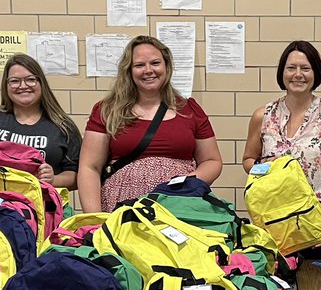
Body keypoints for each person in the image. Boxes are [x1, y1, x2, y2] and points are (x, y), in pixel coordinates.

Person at [77, 35, 222, 213]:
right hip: (122, 208)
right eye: (139, 65)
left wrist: (186, 184)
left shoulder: (190, 110)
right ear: (128, 71)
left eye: (155, 63)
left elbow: (211, 160)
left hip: (181, 205)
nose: (148, 70)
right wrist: (94, 218)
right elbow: (89, 167)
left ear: (166, 67)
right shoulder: (107, 110)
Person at [242, 41, 321, 242]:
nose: (298, 74)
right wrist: (269, 170)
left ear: (316, 73)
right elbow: (249, 160)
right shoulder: (263, 116)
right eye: (291, 68)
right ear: (282, 73)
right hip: (275, 221)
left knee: (319, 274)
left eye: (305, 68)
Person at [0, 53, 80, 188]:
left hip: (42, 204)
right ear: (6, 85)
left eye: (31, 79)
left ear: (41, 83)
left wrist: (53, 179)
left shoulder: (63, 126)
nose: (23, 85)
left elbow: (76, 176)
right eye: (14, 81)